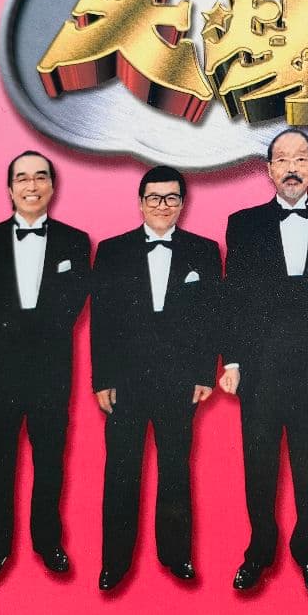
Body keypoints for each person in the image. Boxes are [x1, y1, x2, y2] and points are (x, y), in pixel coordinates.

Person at [219, 130, 308, 598]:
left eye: (300, 158)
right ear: (270, 170)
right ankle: (259, 552)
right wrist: (232, 361)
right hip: (259, 366)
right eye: (282, 159)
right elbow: (234, 297)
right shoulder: (243, 223)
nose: (292, 167)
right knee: (259, 466)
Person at [92, 165, 221, 591]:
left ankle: (176, 556)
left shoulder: (204, 251)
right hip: (125, 382)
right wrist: (102, 378)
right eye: (154, 198)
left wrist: (205, 373)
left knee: (175, 470)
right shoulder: (111, 251)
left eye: (171, 198)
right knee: (121, 473)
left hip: (179, 381)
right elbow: (102, 320)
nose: (162, 206)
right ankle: (114, 563)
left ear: (182, 203)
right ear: (140, 203)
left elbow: (211, 318)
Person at [0, 150, 90, 582]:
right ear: (9, 188)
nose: (31, 185)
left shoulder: (77, 242)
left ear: (52, 186)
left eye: (40, 177)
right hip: (0, 369)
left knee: (50, 460)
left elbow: (74, 301)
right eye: (22, 178)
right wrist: (9, 335)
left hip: (52, 370)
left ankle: (48, 542)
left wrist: (36, 336)